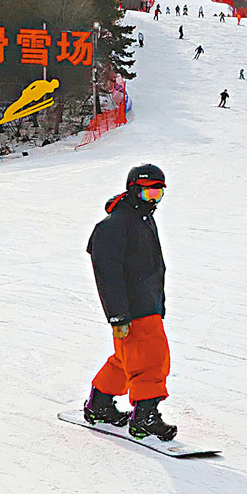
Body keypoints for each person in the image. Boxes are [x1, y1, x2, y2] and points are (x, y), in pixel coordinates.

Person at [83, 164, 177, 442]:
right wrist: (118, 316)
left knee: (126, 359)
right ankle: (145, 418)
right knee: (152, 361)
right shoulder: (114, 227)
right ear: (135, 191)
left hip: (147, 302)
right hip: (134, 308)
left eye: (158, 195)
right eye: (149, 194)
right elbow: (107, 275)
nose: (154, 201)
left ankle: (100, 404)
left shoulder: (141, 219)